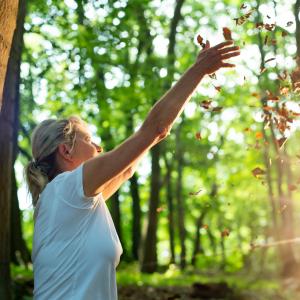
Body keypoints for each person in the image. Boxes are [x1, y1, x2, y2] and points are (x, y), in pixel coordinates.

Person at [25, 40, 240, 300]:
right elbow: (155, 129)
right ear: (66, 151)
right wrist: (198, 71)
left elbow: (130, 165)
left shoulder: (74, 202)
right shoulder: (66, 189)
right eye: (88, 139)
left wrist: (150, 138)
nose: (99, 146)